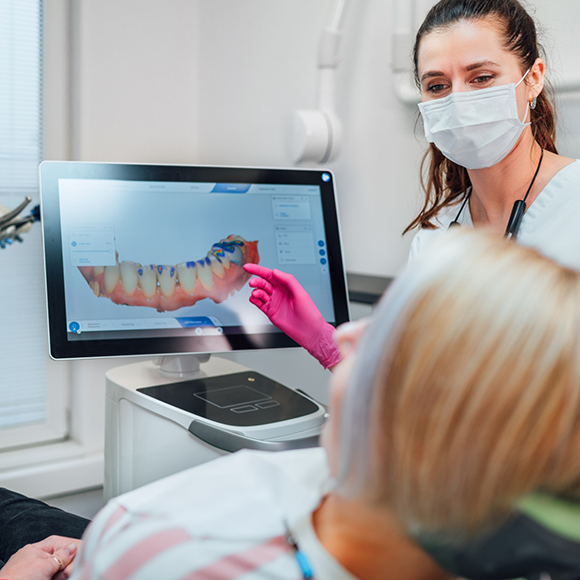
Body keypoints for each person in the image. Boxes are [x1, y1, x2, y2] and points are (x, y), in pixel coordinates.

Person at [6, 230, 573, 580]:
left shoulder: (147, 541)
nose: (348, 337)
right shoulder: (505, 523)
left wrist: (120, 553)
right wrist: (326, 344)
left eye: (388, 337)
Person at [244, 0, 580, 370]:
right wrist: (323, 341)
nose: (458, 102)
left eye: (481, 78)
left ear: (533, 78)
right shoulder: (435, 240)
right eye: (437, 85)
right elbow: (411, 395)